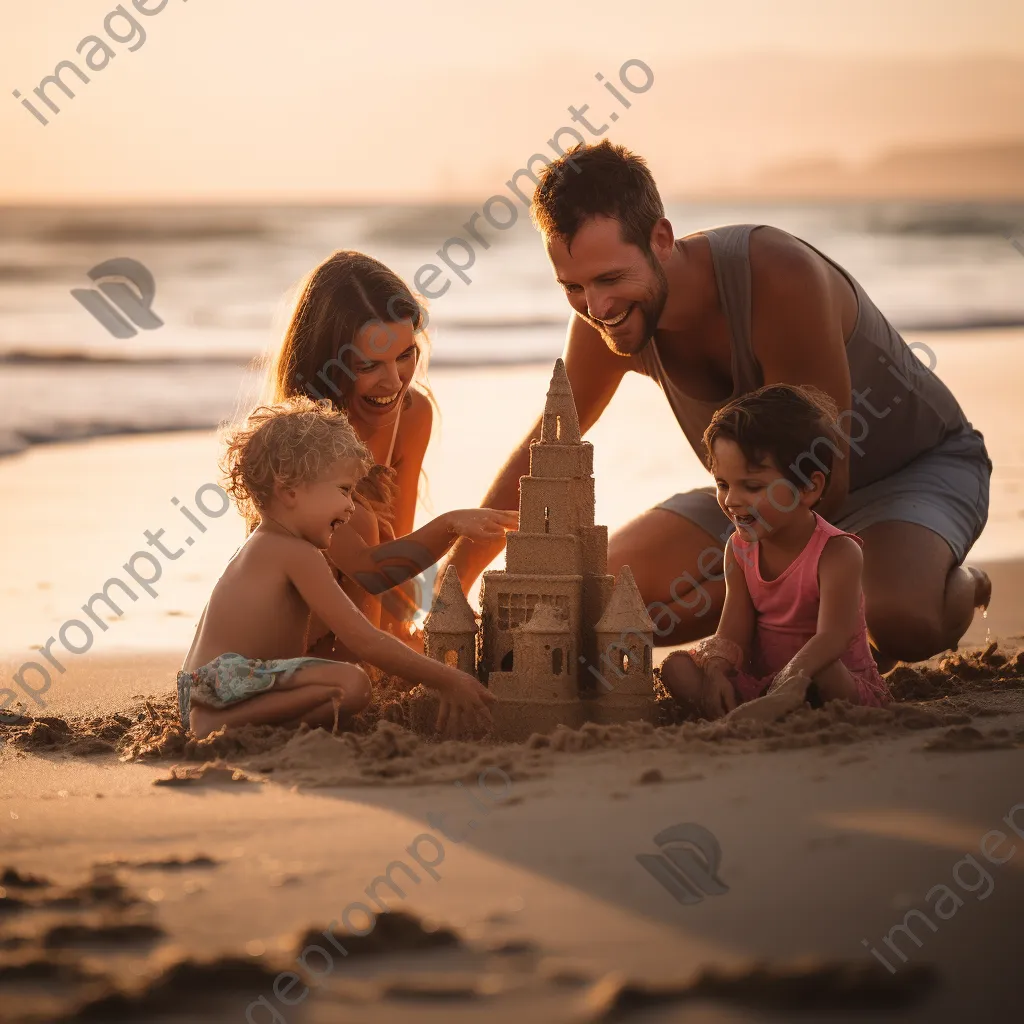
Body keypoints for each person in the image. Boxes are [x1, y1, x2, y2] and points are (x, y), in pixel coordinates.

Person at [445, 140, 992, 666]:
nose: (597, 306)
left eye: (611, 277)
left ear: (661, 237)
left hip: (907, 473)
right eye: (573, 286)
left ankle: (962, 584)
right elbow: (549, 449)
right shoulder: (602, 317)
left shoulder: (777, 275)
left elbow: (826, 483)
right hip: (756, 495)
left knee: (898, 619)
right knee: (596, 599)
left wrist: (727, 603)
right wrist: (454, 583)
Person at [177, 397, 510, 740]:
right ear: (289, 490)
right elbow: (365, 639)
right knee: (352, 684)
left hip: (205, 685)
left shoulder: (262, 545)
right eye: (344, 490)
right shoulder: (296, 552)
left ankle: (235, 720)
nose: (351, 507)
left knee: (342, 687)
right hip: (225, 683)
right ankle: (218, 725)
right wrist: (447, 678)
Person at [264, 251, 457, 655]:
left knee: (391, 551)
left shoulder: (413, 414)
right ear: (328, 363)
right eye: (369, 365)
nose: (394, 381)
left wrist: (403, 629)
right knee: (365, 522)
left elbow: (400, 553)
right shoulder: (300, 441)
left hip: (366, 600)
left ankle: (372, 663)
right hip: (294, 621)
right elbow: (365, 568)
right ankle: (363, 666)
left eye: (405, 355)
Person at [660, 385, 890, 721]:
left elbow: (833, 636)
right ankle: (747, 711)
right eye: (723, 483)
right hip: (765, 683)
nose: (732, 500)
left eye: (752, 487)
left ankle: (778, 709)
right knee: (677, 667)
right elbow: (733, 632)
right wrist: (716, 674)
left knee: (825, 671)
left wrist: (794, 675)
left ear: (809, 488)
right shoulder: (739, 550)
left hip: (828, 680)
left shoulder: (837, 552)